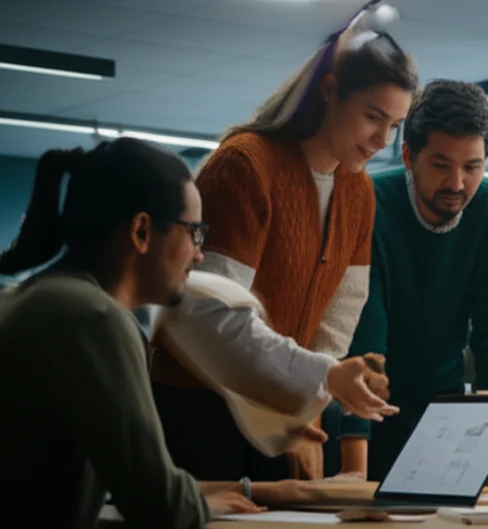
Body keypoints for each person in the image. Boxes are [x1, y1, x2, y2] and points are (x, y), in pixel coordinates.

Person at [150, 1, 418, 484]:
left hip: (280, 405)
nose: (382, 139)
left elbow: (337, 322)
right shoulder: (246, 166)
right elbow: (213, 319)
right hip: (202, 400)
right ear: (331, 91)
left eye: (394, 125)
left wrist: (304, 416)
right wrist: (308, 390)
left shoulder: (358, 190)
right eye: (373, 116)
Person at [0, 140, 270, 529]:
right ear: (142, 231)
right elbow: (158, 505)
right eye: (195, 232)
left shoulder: (27, 299)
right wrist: (200, 500)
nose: (199, 253)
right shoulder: (92, 316)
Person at [345, 79, 488, 480]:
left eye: (472, 167)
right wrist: (352, 470)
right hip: (360, 411)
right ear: (409, 155)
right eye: (441, 165)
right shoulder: (366, 200)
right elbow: (363, 335)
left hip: (443, 413)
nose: (457, 184)